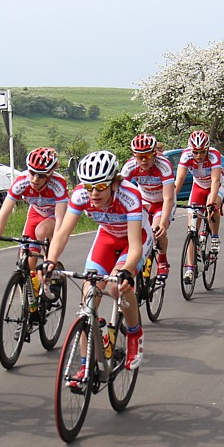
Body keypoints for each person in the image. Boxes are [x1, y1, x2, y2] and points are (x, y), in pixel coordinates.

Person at [40, 150, 152, 371]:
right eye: (89, 186)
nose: (94, 193)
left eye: (100, 187)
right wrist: (50, 260)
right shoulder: (81, 195)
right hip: (108, 238)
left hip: (134, 239)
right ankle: (85, 365)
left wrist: (128, 270)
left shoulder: (129, 196)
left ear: (113, 183)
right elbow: (62, 233)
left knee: (116, 286)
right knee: (88, 301)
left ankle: (134, 333)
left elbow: (136, 245)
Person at [0, 147, 68, 261]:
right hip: (35, 213)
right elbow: (4, 213)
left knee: (42, 231)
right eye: (32, 172)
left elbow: (60, 219)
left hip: (53, 214)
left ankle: (50, 266)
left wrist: (52, 254)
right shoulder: (21, 182)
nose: (35, 179)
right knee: (26, 259)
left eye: (41, 175)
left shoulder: (58, 183)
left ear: (49, 175)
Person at [121, 133, 175, 278]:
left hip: (162, 202)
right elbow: (120, 194)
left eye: (147, 156)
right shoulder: (129, 166)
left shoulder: (164, 165)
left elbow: (168, 197)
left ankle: (163, 261)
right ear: (134, 156)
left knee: (156, 230)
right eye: (139, 156)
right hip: (145, 200)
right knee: (137, 232)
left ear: (154, 154)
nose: (144, 160)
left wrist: (163, 224)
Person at [174, 129, 224, 284]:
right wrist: (171, 199)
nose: (199, 155)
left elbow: (216, 181)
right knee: (192, 228)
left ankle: (214, 237)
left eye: (202, 152)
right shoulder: (186, 155)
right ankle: (190, 267)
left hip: (214, 185)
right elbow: (180, 178)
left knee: (212, 206)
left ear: (207, 149)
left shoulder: (214, 155)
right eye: (196, 152)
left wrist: (211, 202)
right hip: (198, 186)